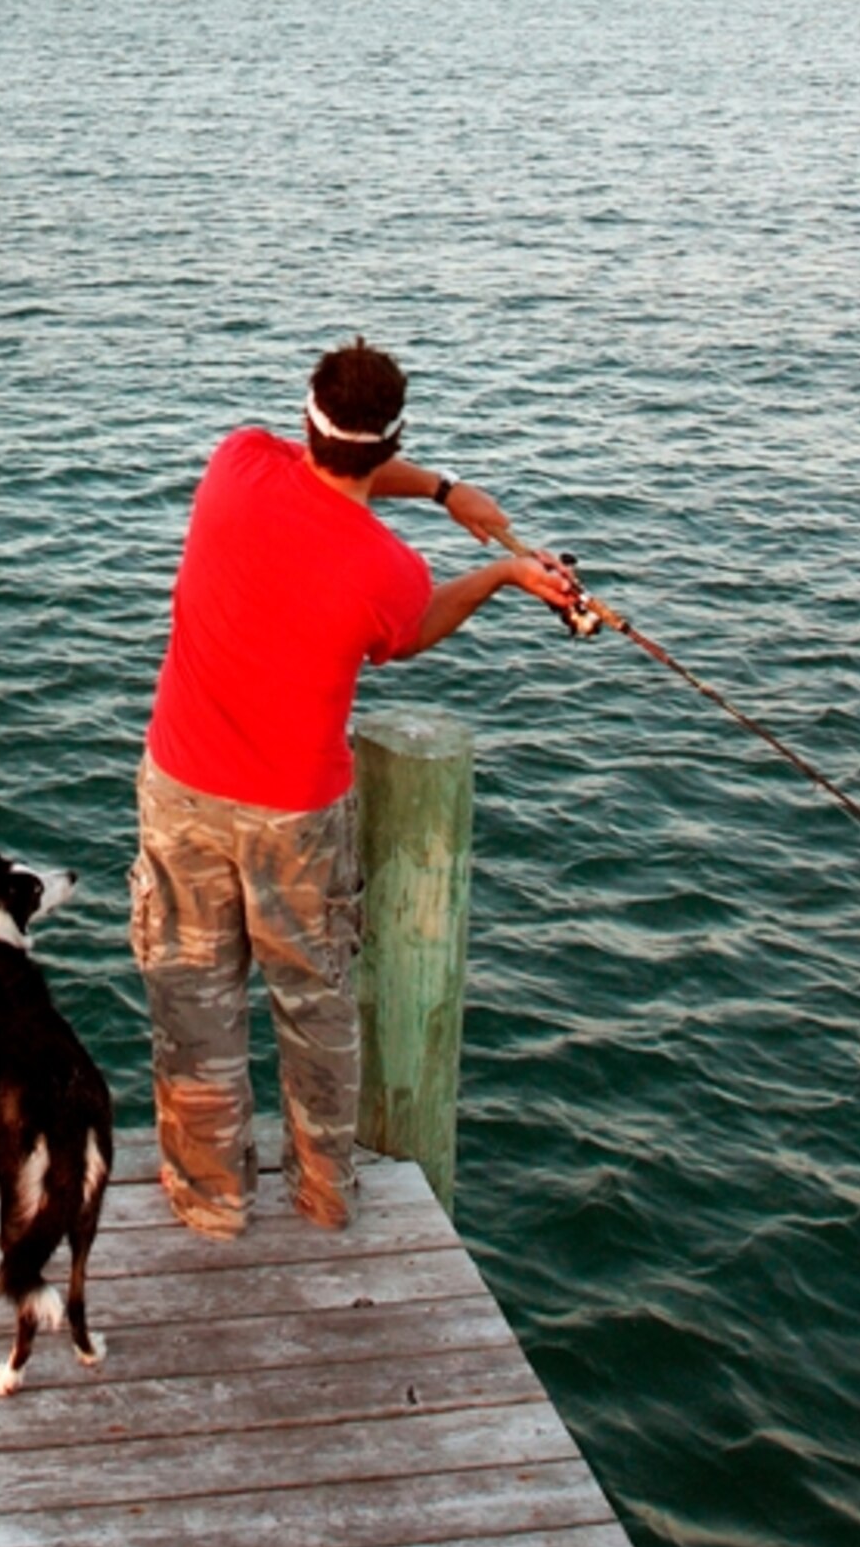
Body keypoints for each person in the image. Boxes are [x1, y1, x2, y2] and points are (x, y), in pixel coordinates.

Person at [130, 339, 575, 1237]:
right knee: (315, 1005)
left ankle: (212, 1203)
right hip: (297, 813)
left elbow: (332, 458)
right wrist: (496, 566)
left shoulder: (236, 464)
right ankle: (326, 1194)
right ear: (391, 440)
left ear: (306, 418)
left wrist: (446, 493)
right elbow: (408, 634)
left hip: (182, 788)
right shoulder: (390, 573)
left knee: (194, 1001)